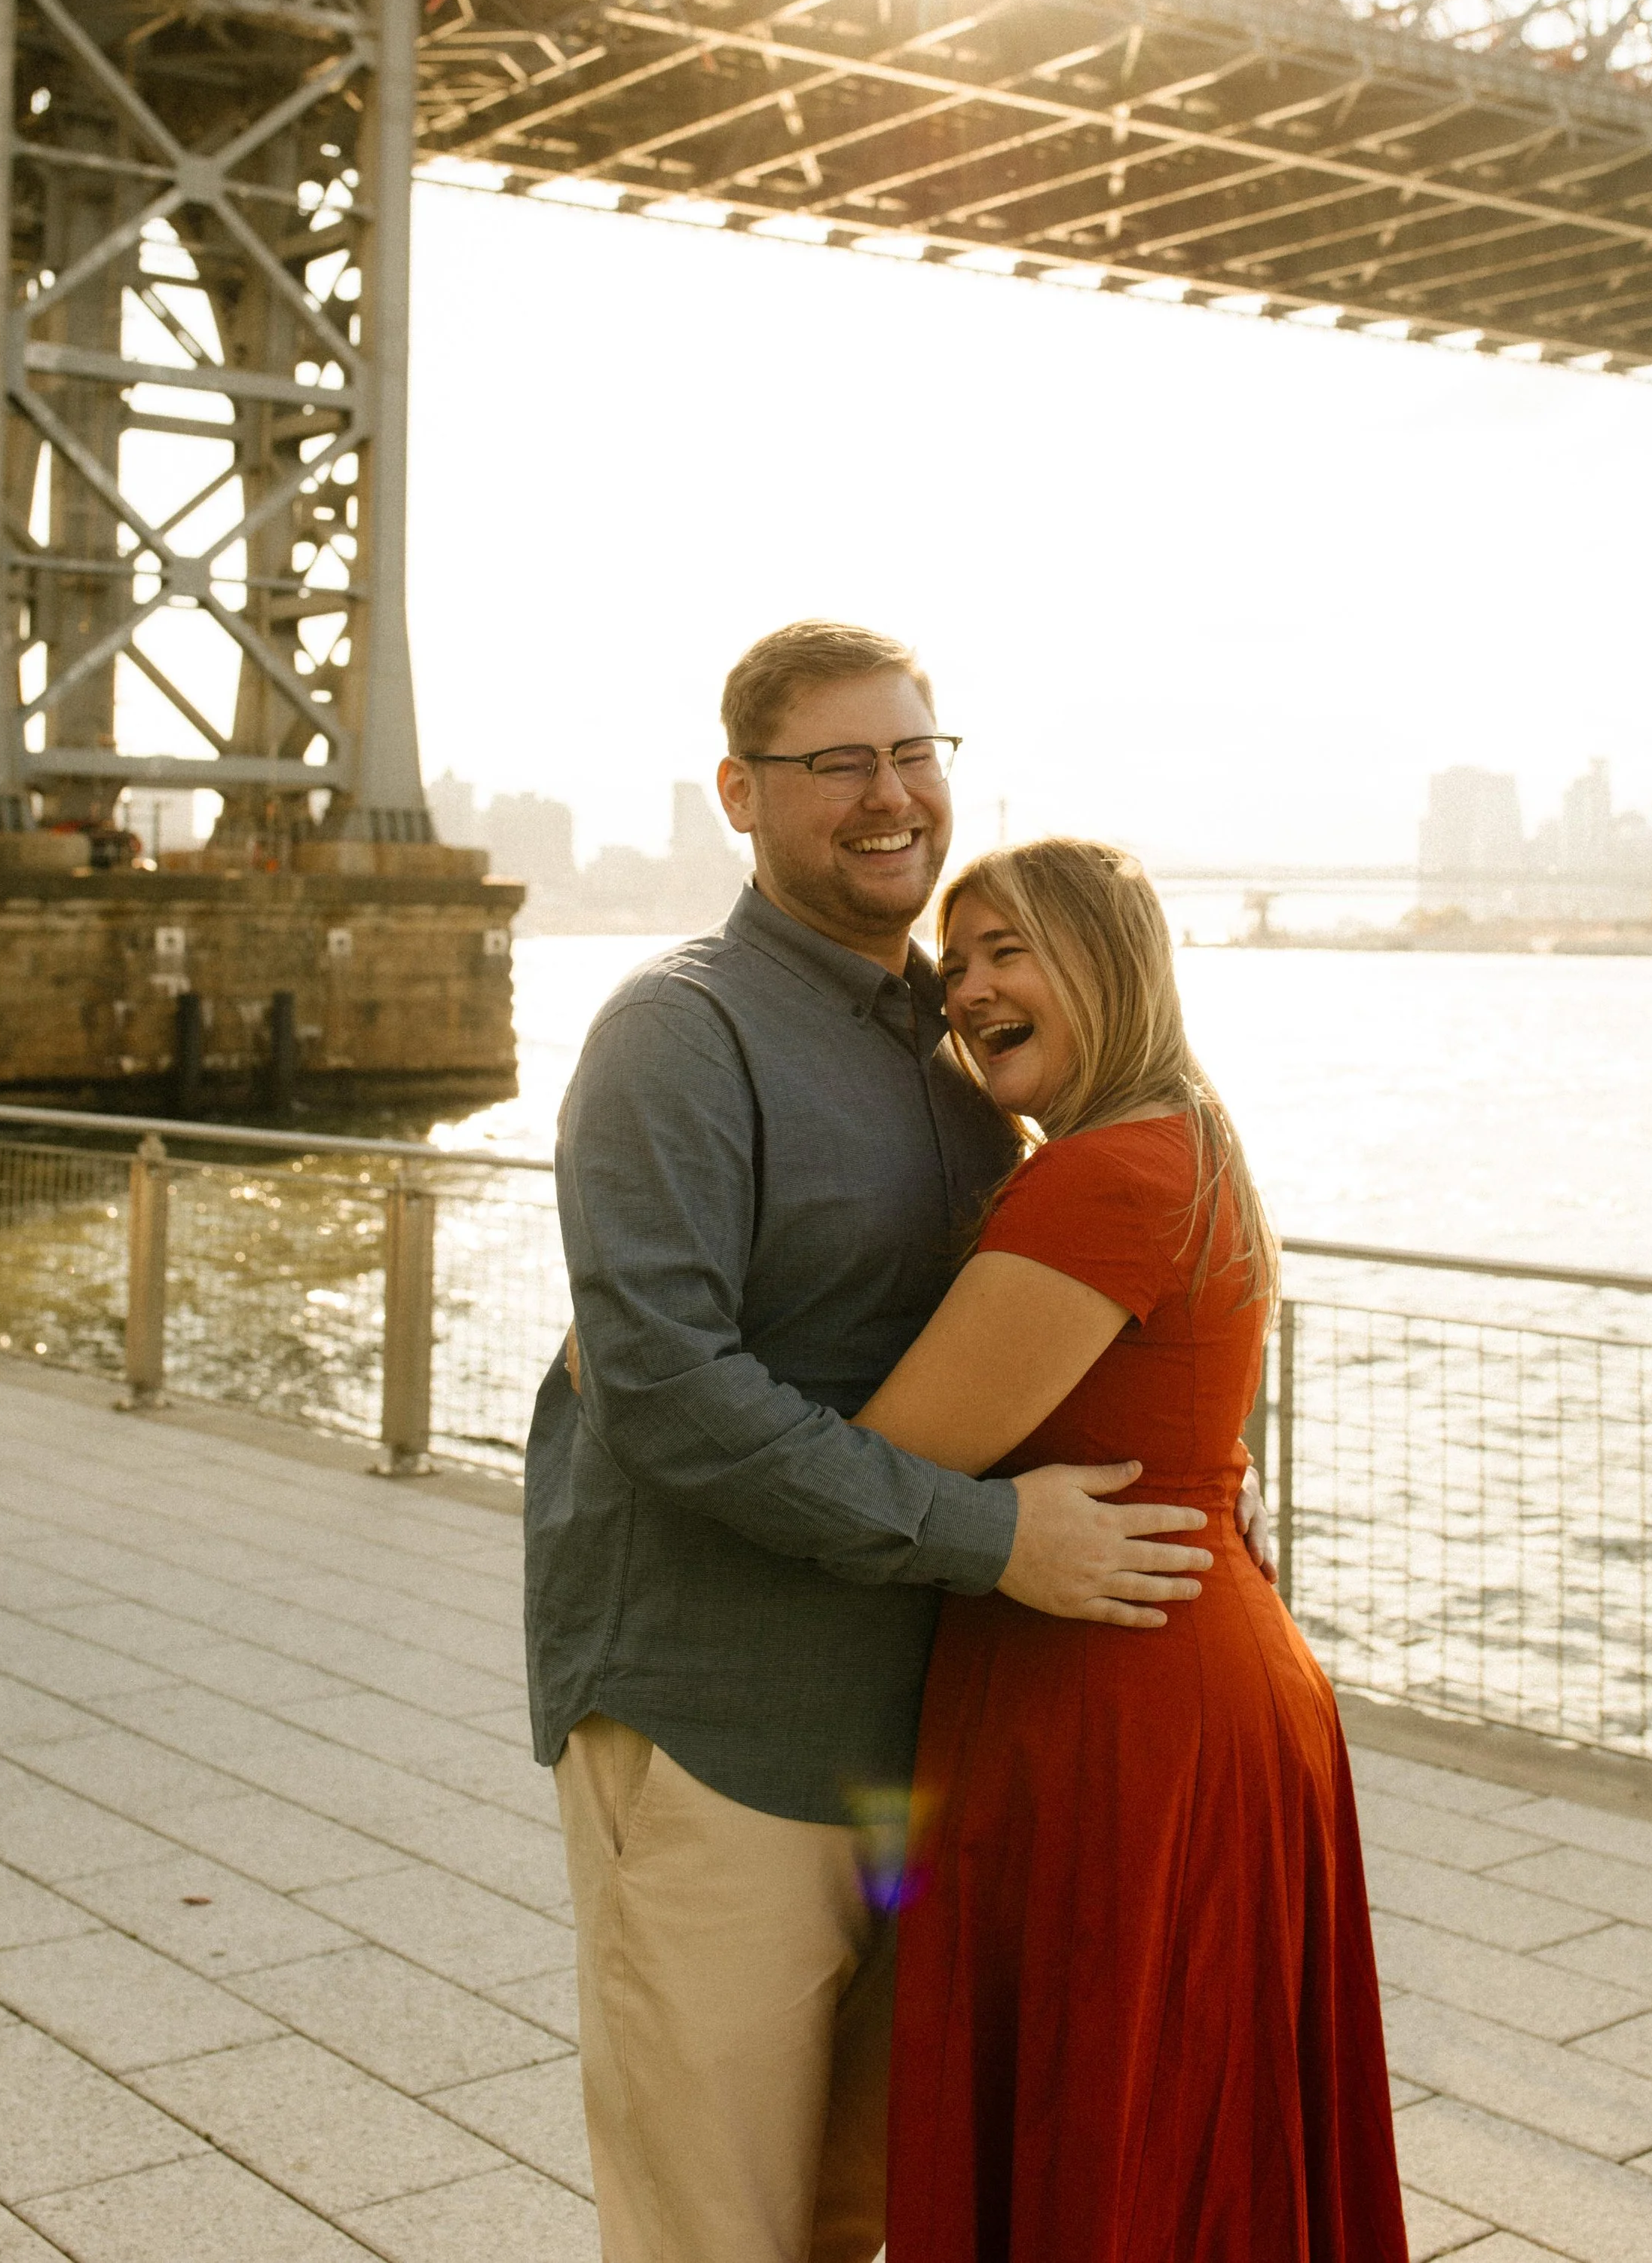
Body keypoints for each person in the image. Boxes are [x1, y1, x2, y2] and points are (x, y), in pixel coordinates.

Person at [525, 620, 1269, 2263]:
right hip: (723, 1720)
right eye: (836, 763)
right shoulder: (678, 1030)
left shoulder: (958, 1056)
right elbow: (660, 1394)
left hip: (929, 1746)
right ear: (740, 794)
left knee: (869, 2209)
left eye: (915, 752)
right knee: (717, 2221)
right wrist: (999, 1541)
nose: (890, 796)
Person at [857, 837, 1409, 2262]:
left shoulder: (1107, 1174)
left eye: (1006, 951)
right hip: (1202, 1675)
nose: (966, 989)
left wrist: (662, 1352)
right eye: (954, 961)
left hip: (1113, 1704)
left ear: (1106, 965)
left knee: (1113, 2140)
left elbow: (893, 1466)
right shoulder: (1190, 1141)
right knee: (1192, 2139)